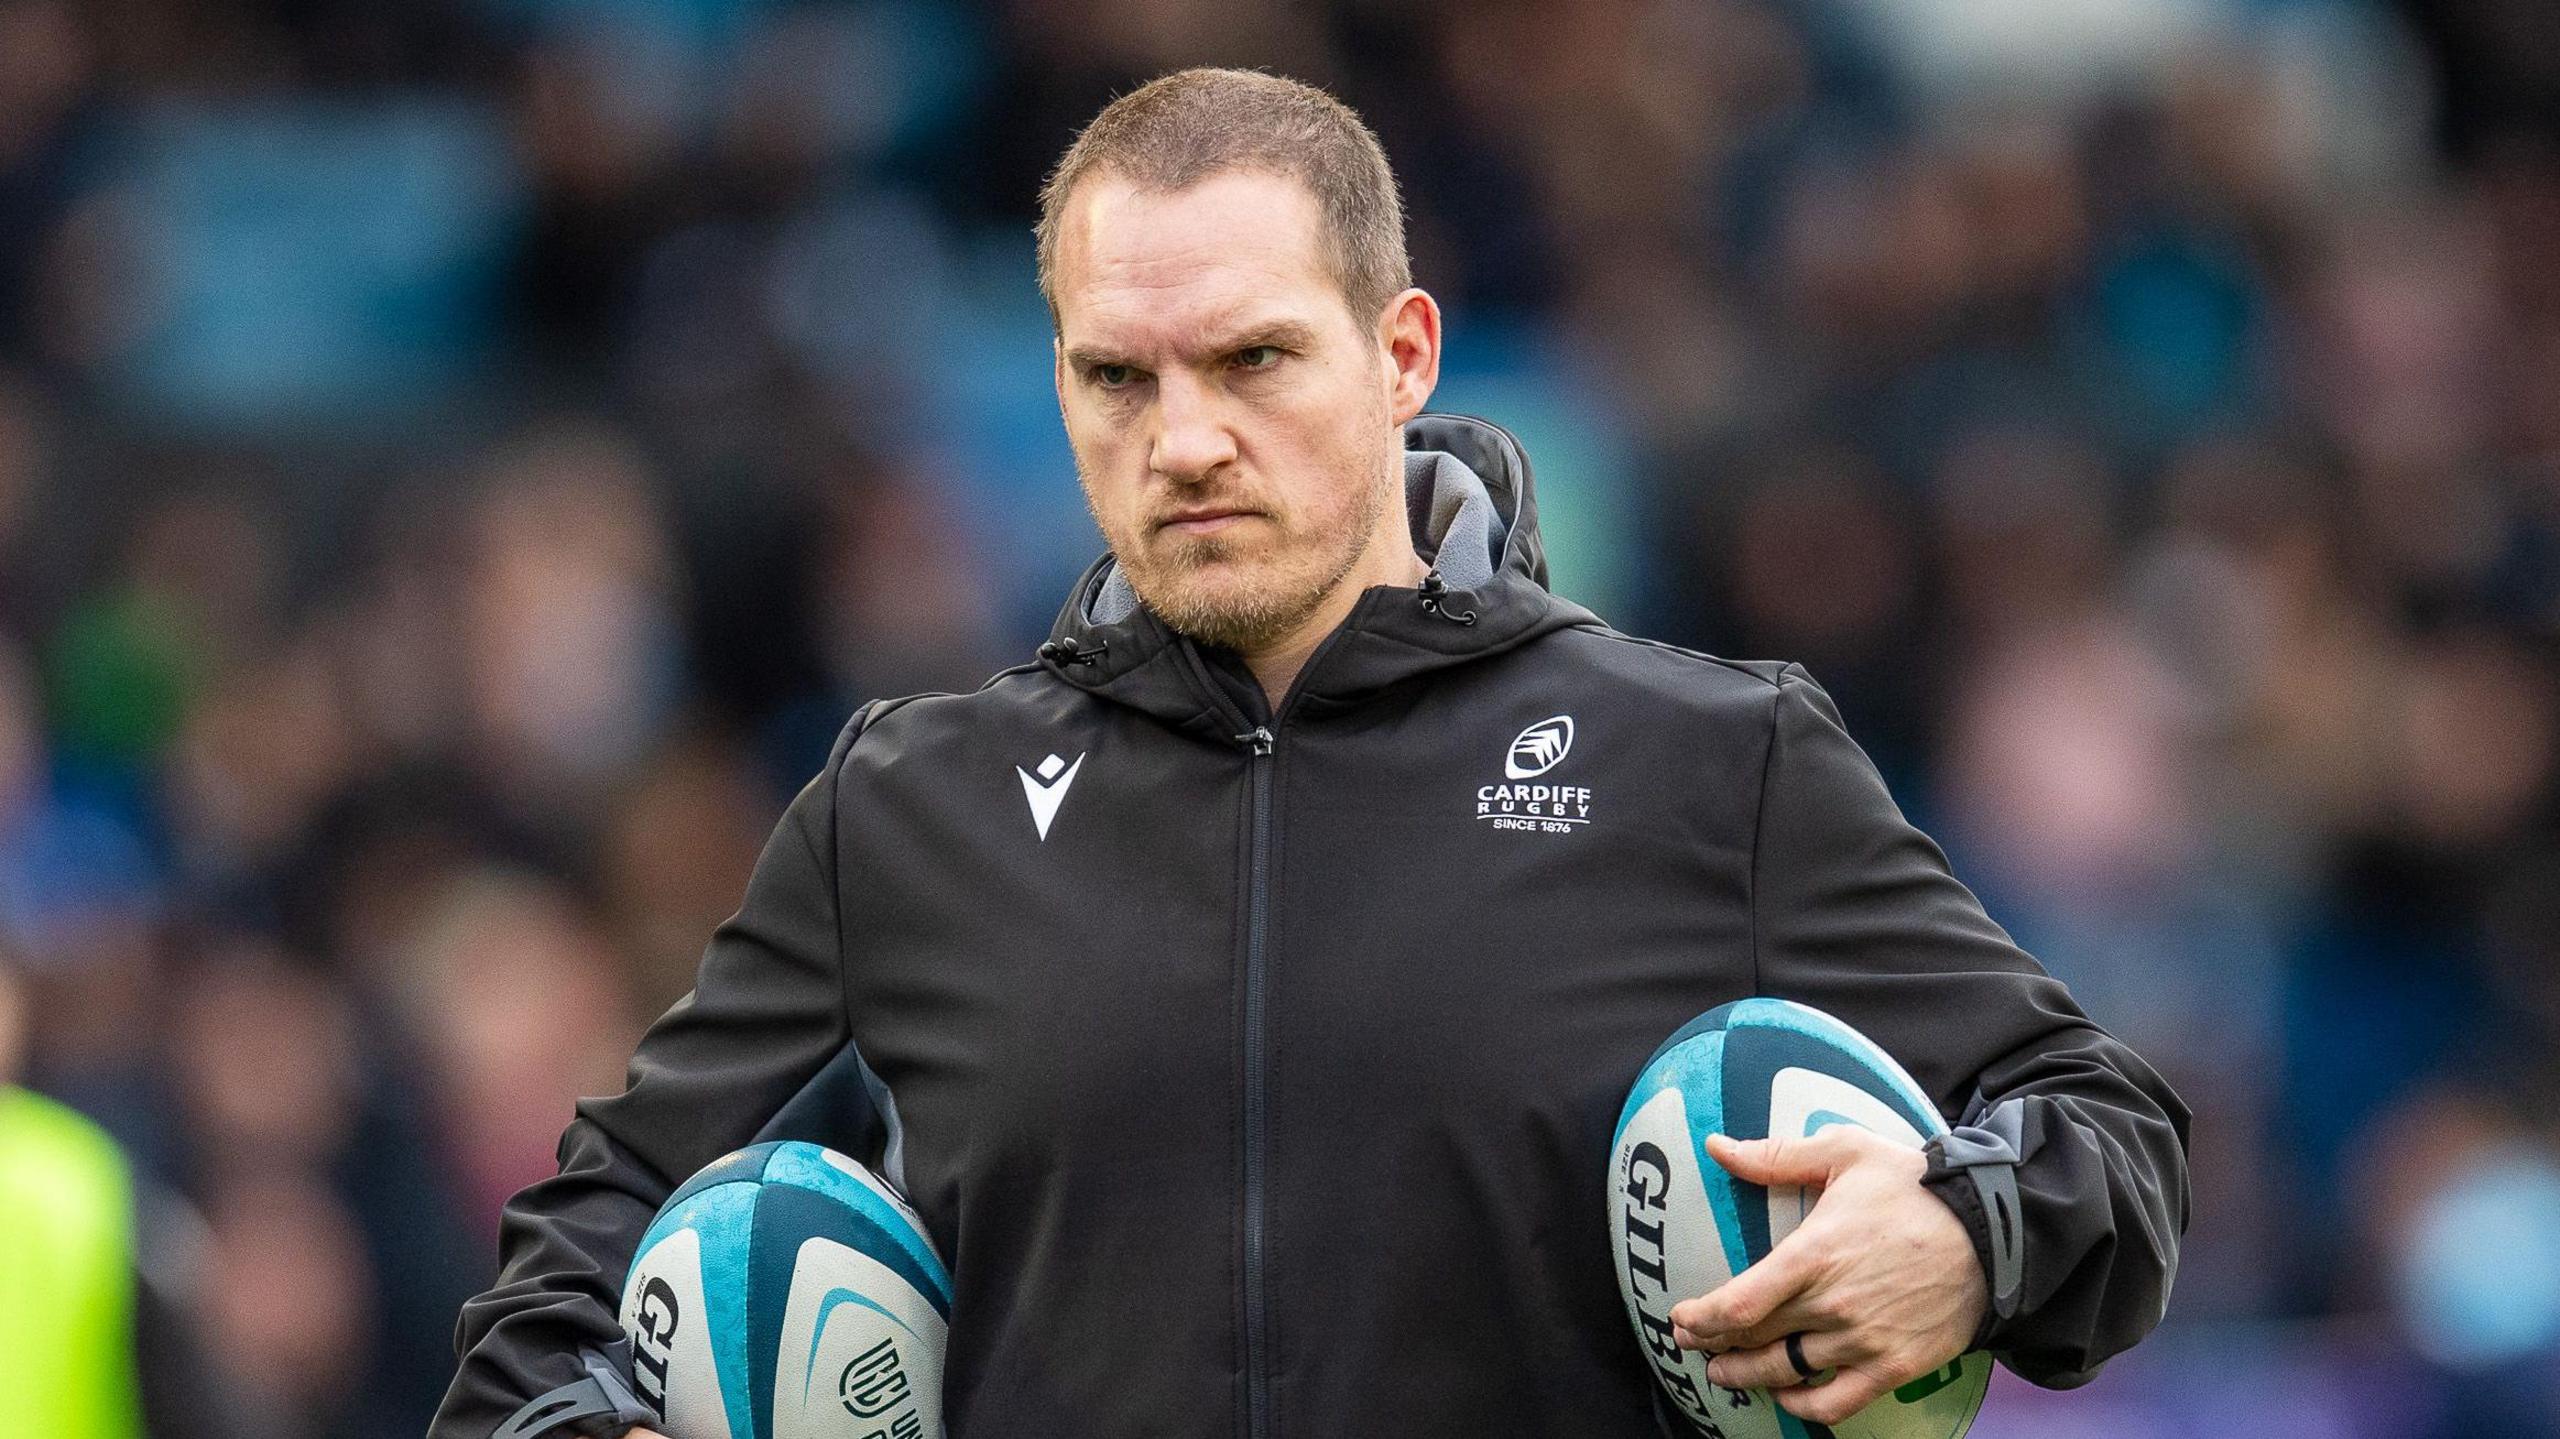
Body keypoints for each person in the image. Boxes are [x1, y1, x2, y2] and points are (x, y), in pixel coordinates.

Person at [434, 67, 2189, 1439]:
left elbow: (2113, 1133)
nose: (1185, 438)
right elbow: (583, 1238)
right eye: (1118, 377)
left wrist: (1968, 1231)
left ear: (1401, 350)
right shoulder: (907, 805)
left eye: (1254, 359)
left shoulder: (1712, 760)